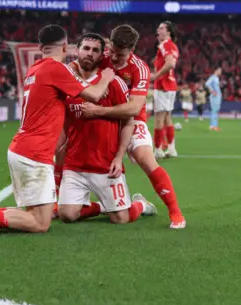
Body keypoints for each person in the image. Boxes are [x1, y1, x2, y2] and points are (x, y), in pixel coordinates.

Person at [0, 25, 115, 236]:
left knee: (34, 214)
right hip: (34, 154)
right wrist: (107, 76)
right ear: (65, 46)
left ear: (40, 47)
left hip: (23, 149)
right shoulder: (56, 69)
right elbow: (95, 95)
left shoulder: (34, 69)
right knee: (39, 223)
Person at [79, 25, 186, 229]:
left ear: (132, 49)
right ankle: (67, 201)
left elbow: (135, 108)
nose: (116, 58)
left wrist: (99, 111)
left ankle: (175, 211)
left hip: (130, 119)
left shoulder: (139, 68)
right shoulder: (102, 57)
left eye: (122, 54)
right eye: (114, 52)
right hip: (101, 118)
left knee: (146, 159)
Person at [56, 33, 157, 224]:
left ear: (103, 55)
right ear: (76, 51)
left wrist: (119, 158)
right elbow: (63, 123)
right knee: (67, 215)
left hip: (105, 165)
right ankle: (104, 206)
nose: (89, 54)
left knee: (121, 219)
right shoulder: (67, 82)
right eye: (86, 48)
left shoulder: (114, 83)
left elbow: (128, 121)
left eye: (95, 51)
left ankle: (140, 204)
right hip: (75, 166)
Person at [151, 21, 179, 159]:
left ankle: (157, 150)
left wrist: (155, 76)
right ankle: (172, 148)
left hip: (163, 85)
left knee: (158, 118)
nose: (158, 30)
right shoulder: (173, 46)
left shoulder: (165, 45)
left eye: (161, 28)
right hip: (171, 85)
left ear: (168, 32)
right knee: (167, 117)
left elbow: (170, 63)